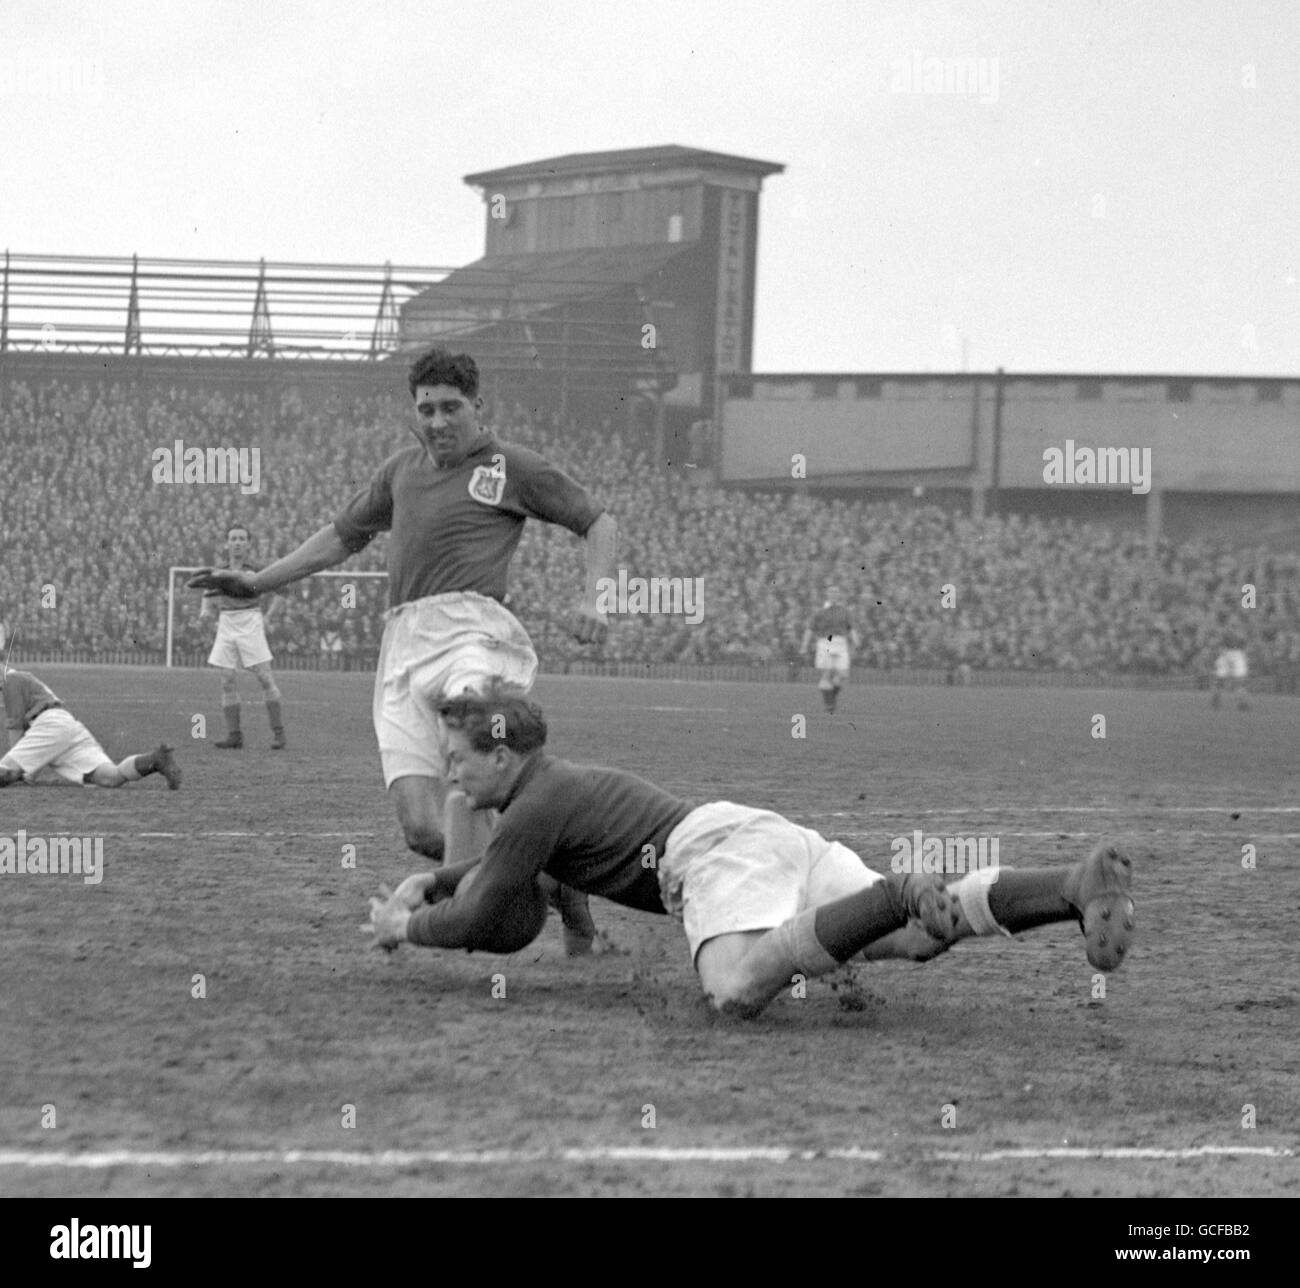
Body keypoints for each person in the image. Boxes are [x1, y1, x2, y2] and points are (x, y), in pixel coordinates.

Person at [188, 347, 617, 950]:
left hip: (474, 632)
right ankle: (554, 880)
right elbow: (341, 537)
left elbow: (599, 522)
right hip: (403, 642)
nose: (438, 421)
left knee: (471, 768)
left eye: (451, 407)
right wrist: (258, 583)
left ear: (478, 407)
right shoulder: (400, 471)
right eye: (426, 409)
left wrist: (594, 599)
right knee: (422, 825)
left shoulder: (511, 466)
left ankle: (472, 919)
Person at [363, 690, 1136, 1020]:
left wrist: (405, 927)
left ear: (501, 759)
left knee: (734, 991)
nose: (451, 774)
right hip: (760, 834)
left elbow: (485, 911)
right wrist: (430, 878)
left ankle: (897, 892)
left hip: (712, 857)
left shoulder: (534, 805)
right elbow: (488, 874)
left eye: (458, 758)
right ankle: (1068, 887)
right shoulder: (548, 792)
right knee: (923, 939)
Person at [0, 666, 181, 790]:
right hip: (64, 725)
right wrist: (27, 771)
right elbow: (33, 747)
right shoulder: (20, 678)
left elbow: (16, 738)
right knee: (111, 777)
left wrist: (19, 771)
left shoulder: (11, 680)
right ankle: (155, 759)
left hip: (49, 724)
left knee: (5, 771)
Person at [199, 524, 287, 749]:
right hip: (227, 621)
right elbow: (208, 596)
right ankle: (234, 735)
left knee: (264, 677)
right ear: (227, 543)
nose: (237, 542)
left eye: (241, 539)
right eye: (233, 538)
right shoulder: (219, 570)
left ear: (248, 543)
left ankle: (278, 734)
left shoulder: (258, 569)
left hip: (251, 620)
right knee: (226, 679)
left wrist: (268, 618)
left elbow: (282, 592)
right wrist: (206, 613)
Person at [799, 586, 861, 713]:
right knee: (826, 674)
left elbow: (851, 628)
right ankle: (829, 705)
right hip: (825, 642)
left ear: (839, 595)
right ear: (827, 595)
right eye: (831, 592)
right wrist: (804, 645)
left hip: (841, 643)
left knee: (843, 675)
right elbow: (810, 629)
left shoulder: (844, 611)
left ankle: (830, 698)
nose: (834, 594)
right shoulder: (820, 612)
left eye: (836, 592)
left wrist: (856, 641)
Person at [1210, 635, 1250, 710]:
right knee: (1222, 681)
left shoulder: (1230, 632)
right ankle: (1216, 699)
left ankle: (1241, 702)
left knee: (1238, 682)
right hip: (1227, 653)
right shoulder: (1237, 632)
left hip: (1233, 653)